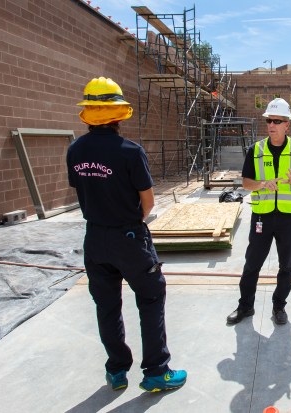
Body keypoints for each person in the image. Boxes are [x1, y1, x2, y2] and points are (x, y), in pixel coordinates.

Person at [66, 77, 186, 392]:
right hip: (129, 236)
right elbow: (147, 201)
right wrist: (134, 222)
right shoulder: (130, 151)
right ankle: (157, 372)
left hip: (95, 238)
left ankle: (117, 370)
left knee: (106, 305)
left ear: (89, 113)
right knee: (150, 297)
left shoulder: (75, 150)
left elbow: (83, 192)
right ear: (119, 113)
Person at [226, 98, 291, 326]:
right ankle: (245, 306)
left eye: (277, 121)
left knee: (287, 265)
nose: (271, 124)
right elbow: (245, 182)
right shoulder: (256, 150)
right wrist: (262, 183)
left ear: (287, 125)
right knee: (252, 264)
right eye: (269, 120)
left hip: (288, 217)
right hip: (262, 216)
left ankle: (279, 306)